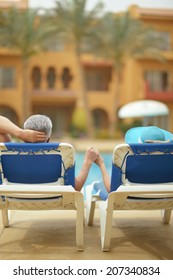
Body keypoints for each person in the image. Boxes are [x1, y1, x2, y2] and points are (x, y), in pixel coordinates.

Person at [23, 114, 99, 191]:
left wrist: (19, 133)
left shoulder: (12, 154)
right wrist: (88, 161)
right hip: (52, 201)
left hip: (18, 201)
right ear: (48, 139)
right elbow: (75, 187)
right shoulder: (59, 157)